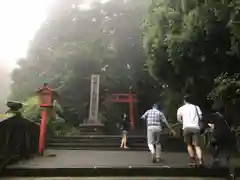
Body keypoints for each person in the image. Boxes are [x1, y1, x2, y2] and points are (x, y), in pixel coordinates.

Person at [177, 95, 204, 167]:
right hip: (195, 128)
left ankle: (193, 161)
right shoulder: (196, 107)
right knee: (197, 145)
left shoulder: (181, 108)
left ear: (184, 101)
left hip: (186, 128)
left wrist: (184, 122)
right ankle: (200, 161)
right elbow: (200, 117)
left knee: (189, 145)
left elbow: (179, 118)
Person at [208, 101, 235, 167]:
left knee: (216, 146)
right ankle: (228, 159)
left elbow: (211, 126)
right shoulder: (228, 115)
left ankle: (215, 158)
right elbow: (232, 126)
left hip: (217, 134)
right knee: (227, 147)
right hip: (227, 133)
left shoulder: (213, 116)